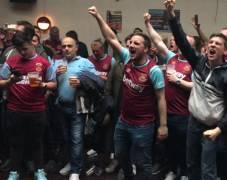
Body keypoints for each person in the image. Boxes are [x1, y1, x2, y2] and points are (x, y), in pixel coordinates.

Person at [164, 0, 227, 179]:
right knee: (191, 164)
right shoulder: (199, 63)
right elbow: (183, 42)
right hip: (193, 122)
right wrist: (172, 16)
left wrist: (219, 130)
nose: (212, 45)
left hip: (212, 127)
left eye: (217, 44)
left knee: (208, 169)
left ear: (226, 51)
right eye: (211, 43)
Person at [89, 6, 168, 180]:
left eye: (136, 43)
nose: (131, 45)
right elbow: (110, 37)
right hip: (123, 122)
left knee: (142, 162)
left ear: (146, 49)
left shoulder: (153, 70)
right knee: (121, 156)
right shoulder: (126, 58)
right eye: (130, 42)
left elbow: (161, 98)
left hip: (143, 125)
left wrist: (163, 125)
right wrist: (98, 17)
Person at [0, 31, 56, 180]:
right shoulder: (11, 61)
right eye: (19, 50)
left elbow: (53, 84)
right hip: (15, 109)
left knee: (37, 142)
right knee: (15, 143)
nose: (22, 52)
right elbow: (0, 81)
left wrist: (43, 84)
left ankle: (39, 171)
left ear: (32, 43)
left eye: (25, 48)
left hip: (37, 110)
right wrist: (9, 82)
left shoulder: (43, 62)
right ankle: (14, 172)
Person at [144, 12, 193, 179]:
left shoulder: (195, 63)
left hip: (184, 113)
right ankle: (172, 170)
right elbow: (158, 41)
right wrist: (148, 25)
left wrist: (178, 81)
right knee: (168, 145)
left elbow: (199, 87)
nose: (183, 44)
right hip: (167, 112)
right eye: (182, 41)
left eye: (187, 43)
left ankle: (185, 173)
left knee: (184, 146)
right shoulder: (172, 57)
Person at [55, 36, 98, 180]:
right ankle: (70, 162)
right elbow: (49, 84)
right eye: (64, 46)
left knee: (76, 139)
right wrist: (55, 75)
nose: (66, 48)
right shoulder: (57, 63)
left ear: (76, 47)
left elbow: (98, 82)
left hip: (77, 108)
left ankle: (75, 170)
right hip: (61, 107)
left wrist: (81, 82)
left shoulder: (85, 63)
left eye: (69, 46)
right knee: (65, 139)